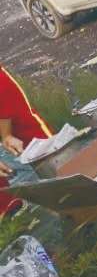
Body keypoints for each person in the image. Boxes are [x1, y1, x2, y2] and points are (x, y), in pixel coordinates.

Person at [0, 64, 52, 215]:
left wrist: (6, 134)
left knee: (26, 124)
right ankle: (10, 213)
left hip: (16, 115)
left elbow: (4, 93)